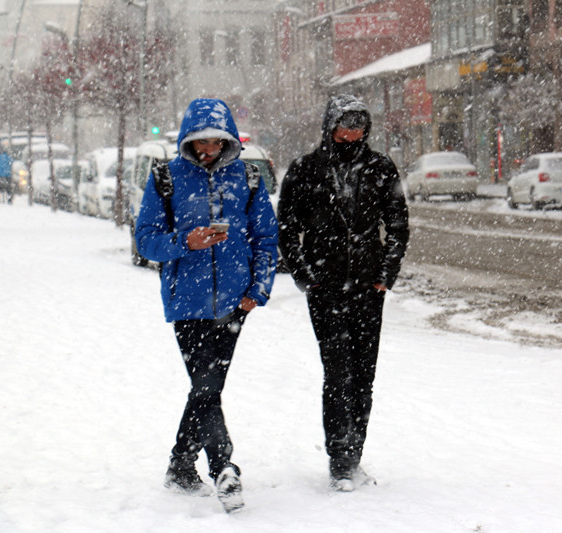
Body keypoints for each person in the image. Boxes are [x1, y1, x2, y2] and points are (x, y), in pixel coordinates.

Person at [135, 98, 278, 513]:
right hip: (187, 302)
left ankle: (181, 465)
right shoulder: (166, 177)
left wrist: (259, 289)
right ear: (189, 141)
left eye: (217, 142)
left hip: (235, 304)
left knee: (206, 388)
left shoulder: (248, 177)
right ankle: (223, 468)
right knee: (207, 386)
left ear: (229, 140)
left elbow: (266, 239)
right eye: (201, 142)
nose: (209, 149)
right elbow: (146, 239)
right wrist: (186, 242)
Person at [277, 94, 409, 492]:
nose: (351, 134)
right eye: (344, 125)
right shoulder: (305, 170)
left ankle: (356, 454)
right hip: (326, 289)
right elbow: (287, 228)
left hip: (369, 289)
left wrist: (386, 274)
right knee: (337, 373)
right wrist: (306, 276)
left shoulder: (381, 168)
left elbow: (398, 226)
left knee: (363, 376)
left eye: (358, 126)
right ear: (330, 126)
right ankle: (340, 459)